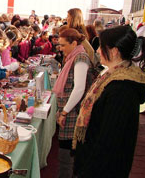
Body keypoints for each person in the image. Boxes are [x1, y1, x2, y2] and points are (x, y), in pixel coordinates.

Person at [73, 26, 145, 178]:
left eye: (101, 47)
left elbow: (108, 143)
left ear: (114, 51)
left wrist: (85, 172)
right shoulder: (112, 76)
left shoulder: (121, 90)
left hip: (102, 170)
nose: (97, 51)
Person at [53, 28, 94, 178]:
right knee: (66, 151)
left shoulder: (80, 58)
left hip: (73, 113)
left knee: (67, 153)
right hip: (70, 111)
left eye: (63, 45)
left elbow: (79, 89)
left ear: (74, 43)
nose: (60, 48)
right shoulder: (74, 56)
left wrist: (64, 112)